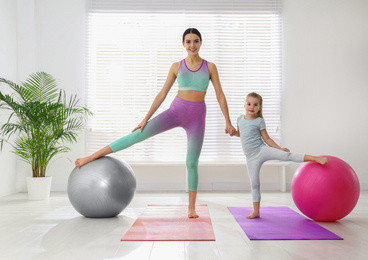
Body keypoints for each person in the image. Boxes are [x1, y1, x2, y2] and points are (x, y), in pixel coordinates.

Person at [75, 28, 237, 218]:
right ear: (183, 44)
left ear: (201, 43)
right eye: (188, 41)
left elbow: (219, 94)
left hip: (197, 117)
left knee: (191, 162)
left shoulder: (210, 67)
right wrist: (146, 118)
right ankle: (92, 157)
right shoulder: (177, 66)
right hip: (176, 111)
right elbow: (162, 93)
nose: (192, 45)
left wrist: (228, 121)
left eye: (195, 41)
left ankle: (191, 208)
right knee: (137, 135)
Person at [233, 92, 328, 219]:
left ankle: (315, 158)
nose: (252, 107)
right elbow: (241, 134)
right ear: (244, 105)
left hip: (261, 150)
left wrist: (280, 149)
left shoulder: (259, 121)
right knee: (254, 183)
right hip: (250, 157)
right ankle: (256, 211)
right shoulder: (240, 119)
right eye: (249, 104)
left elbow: (267, 138)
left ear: (259, 107)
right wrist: (234, 133)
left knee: (287, 156)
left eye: (255, 105)